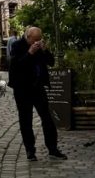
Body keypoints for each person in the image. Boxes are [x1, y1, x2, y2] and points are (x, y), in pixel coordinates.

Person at [8, 26, 67, 161]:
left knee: (47, 118)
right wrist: (29, 53)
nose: (37, 42)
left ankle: (53, 149)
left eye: (39, 40)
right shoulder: (17, 46)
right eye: (35, 40)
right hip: (22, 89)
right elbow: (16, 66)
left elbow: (51, 62)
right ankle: (30, 151)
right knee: (26, 120)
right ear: (28, 37)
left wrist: (45, 50)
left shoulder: (40, 47)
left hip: (38, 87)